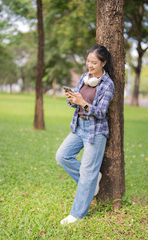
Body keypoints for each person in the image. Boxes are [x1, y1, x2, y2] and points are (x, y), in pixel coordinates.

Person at [56, 45, 115, 225]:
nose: (90, 65)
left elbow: (101, 111)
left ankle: (77, 214)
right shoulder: (84, 77)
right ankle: (91, 181)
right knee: (62, 156)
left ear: (103, 63)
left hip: (95, 131)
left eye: (94, 62)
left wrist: (84, 103)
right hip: (78, 126)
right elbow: (76, 104)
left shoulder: (108, 84)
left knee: (87, 172)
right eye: (88, 61)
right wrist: (72, 99)